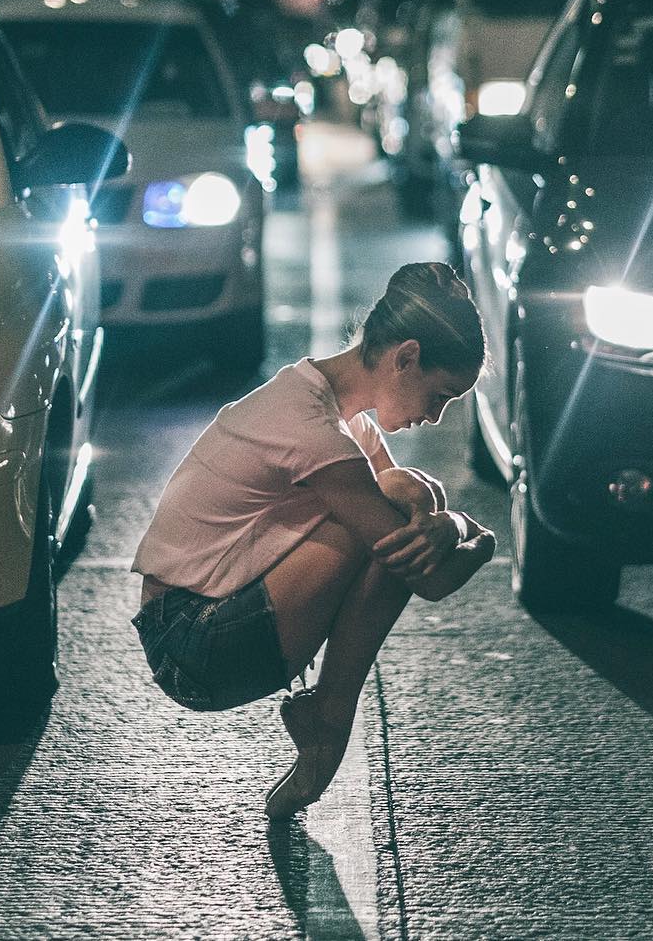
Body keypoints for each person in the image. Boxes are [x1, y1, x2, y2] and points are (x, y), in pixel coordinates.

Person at [130, 260, 496, 818]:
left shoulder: (343, 419)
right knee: (387, 526)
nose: (436, 417)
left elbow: (416, 503)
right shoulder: (310, 427)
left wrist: (447, 521)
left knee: (400, 507)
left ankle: (326, 717)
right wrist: (480, 537)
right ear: (406, 358)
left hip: (213, 625)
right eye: (441, 395)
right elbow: (431, 575)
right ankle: (330, 717)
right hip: (189, 643)